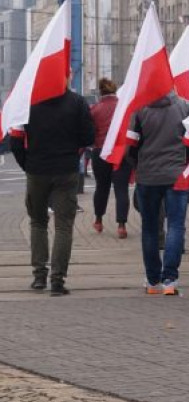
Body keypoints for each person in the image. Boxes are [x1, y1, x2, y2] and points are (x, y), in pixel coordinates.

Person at [11, 77, 95, 295]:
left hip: (37, 170)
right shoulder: (77, 102)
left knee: (38, 222)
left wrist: (28, 164)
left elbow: (16, 139)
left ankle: (39, 276)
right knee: (64, 225)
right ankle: (58, 280)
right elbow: (88, 136)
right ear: (67, 76)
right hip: (66, 170)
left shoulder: (28, 102)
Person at [128, 92, 189, 295]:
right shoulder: (184, 106)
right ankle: (170, 279)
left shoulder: (140, 109)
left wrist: (139, 166)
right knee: (176, 226)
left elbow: (131, 145)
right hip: (176, 175)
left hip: (148, 175)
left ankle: (153, 280)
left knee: (150, 227)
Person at [89, 78, 130, 239]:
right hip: (120, 152)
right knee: (121, 189)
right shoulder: (124, 108)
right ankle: (121, 225)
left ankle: (98, 220)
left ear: (101, 91)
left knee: (101, 187)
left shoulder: (95, 110)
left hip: (100, 152)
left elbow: (91, 132)